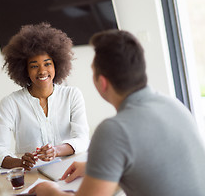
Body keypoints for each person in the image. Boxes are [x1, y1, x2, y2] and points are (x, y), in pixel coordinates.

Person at [30, 29, 205, 196]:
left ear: (102, 82)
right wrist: (95, 166)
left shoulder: (113, 130)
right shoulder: (174, 106)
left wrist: (49, 191)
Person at [0, 23, 89, 170]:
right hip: (31, 176)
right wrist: (20, 162)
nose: (42, 71)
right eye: (34, 66)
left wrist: (56, 151)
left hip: (68, 171)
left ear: (56, 65)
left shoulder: (72, 95)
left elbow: (82, 139)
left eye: (47, 64)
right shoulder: (10, 103)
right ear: (24, 70)